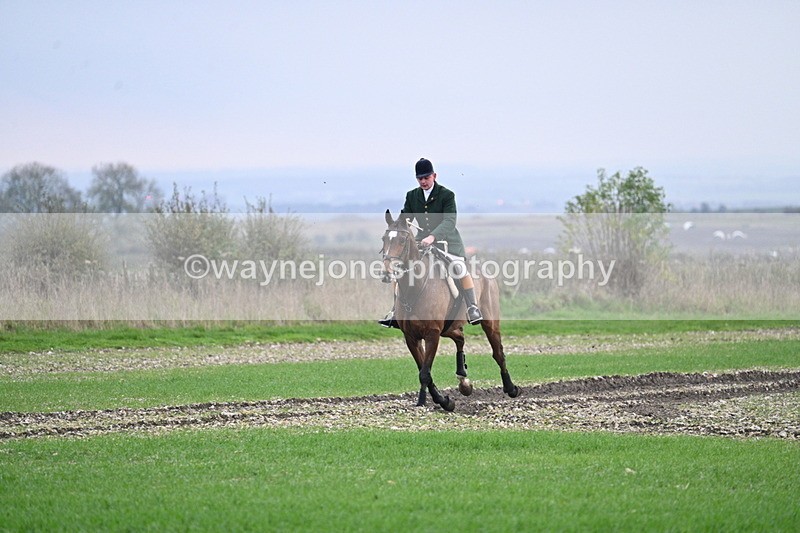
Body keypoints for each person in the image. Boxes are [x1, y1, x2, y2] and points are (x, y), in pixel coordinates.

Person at [379, 157, 483, 327]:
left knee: (460, 268)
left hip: (447, 243)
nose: (423, 181)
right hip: (421, 242)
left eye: (426, 177)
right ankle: (395, 311)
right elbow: (406, 218)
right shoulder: (412, 195)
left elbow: (449, 221)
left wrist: (433, 236)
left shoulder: (447, 195)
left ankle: (472, 307)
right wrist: (396, 227)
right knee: (400, 270)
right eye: (420, 178)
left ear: (434, 176)